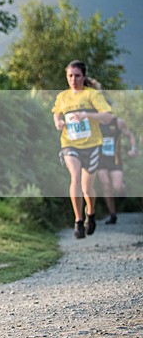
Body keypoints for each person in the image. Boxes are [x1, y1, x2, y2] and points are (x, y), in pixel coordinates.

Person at [52, 60, 113, 239]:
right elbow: (56, 112)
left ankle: (90, 213)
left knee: (87, 188)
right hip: (70, 144)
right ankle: (78, 221)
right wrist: (58, 122)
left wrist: (86, 114)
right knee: (75, 177)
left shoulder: (92, 95)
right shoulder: (63, 96)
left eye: (77, 75)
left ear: (83, 76)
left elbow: (108, 117)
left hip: (92, 144)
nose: (73, 79)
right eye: (70, 76)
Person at [97, 115, 137, 224]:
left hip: (115, 160)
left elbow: (130, 135)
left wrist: (133, 148)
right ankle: (112, 214)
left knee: (117, 187)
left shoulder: (118, 122)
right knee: (105, 186)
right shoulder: (94, 123)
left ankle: (122, 189)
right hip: (100, 160)